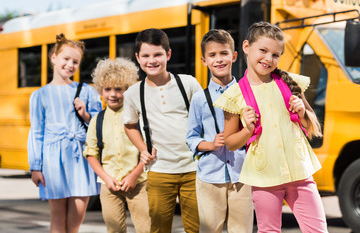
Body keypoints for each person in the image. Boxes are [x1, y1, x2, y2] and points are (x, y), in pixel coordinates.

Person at [214, 21, 328, 233]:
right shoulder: (234, 96)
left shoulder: (290, 83)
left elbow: (313, 125)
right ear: (247, 47)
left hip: (300, 174)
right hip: (264, 177)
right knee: (269, 230)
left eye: (275, 55)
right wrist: (247, 130)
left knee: (318, 230)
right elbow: (229, 143)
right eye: (263, 51)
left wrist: (303, 113)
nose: (268, 59)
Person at [123, 28, 202, 233]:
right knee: (159, 228)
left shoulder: (188, 83)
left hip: (193, 168)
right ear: (138, 58)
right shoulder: (133, 93)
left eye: (158, 54)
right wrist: (142, 148)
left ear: (168, 54)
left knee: (196, 227)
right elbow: (130, 125)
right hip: (159, 170)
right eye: (146, 56)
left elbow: (205, 118)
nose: (152, 60)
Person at [27, 33, 102, 233]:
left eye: (75, 61)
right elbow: (36, 133)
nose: (70, 64)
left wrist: (85, 114)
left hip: (81, 158)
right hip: (52, 161)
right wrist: (35, 167)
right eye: (66, 59)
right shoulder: (39, 95)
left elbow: (101, 127)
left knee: (76, 218)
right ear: (54, 57)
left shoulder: (87, 91)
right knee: (58, 219)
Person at [186, 29, 253, 233]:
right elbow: (191, 138)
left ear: (233, 56)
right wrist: (210, 144)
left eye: (224, 53)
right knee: (210, 229)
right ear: (204, 61)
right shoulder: (199, 99)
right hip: (209, 176)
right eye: (212, 55)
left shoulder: (247, 91)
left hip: (242, 174)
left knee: (241, 229)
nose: (219, 59)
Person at [83, 57, 151, 233]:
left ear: (128, 90)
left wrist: (134, 176)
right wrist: (106, 179)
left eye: (118, 89)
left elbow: (150, 150)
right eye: (107, 89)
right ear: (100, 89)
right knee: (114, 229)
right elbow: (91, 153)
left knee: (147, 228)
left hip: (139, 184)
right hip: (110, 186)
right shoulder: (97, 120)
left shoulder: (139, 116)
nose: (112, 94)